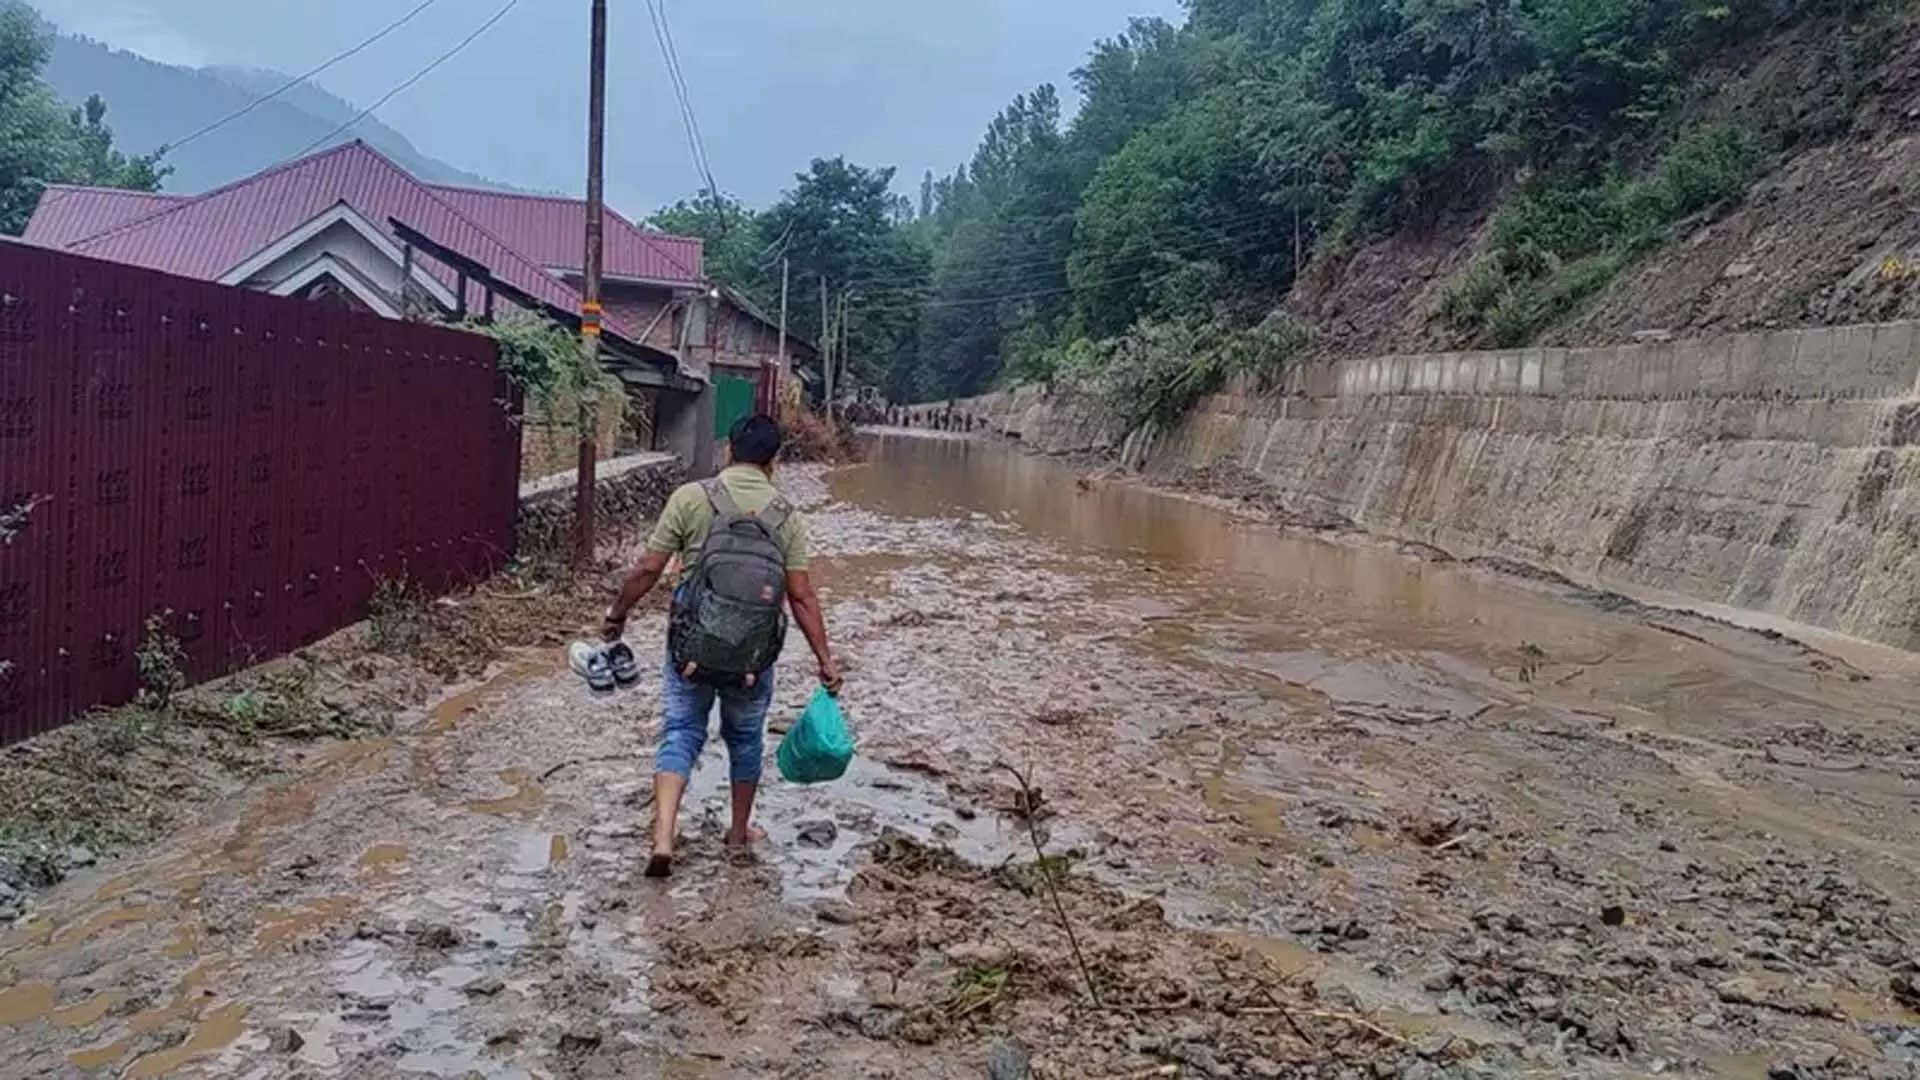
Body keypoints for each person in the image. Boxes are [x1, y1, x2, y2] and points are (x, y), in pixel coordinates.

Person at [600, 414, 841, 878]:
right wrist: (825, 660)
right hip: (752, 658)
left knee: (680, 732)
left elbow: (649, 569)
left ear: (729, 450)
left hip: (688, 649)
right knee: (746, 738)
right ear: (775, 461)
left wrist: (618, 616)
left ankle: (664, 834)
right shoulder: (786, 516)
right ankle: (737, 835)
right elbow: (801, 595)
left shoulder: (692, 498)